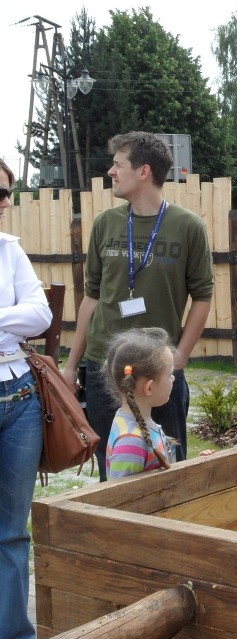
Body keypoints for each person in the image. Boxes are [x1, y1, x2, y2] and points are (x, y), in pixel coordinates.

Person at [62, 131, 214, 481]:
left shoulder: (188, 226)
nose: (111, 172)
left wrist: (179, 358)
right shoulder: (105, 223)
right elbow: (92, 296)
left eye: (118, 164)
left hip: (158, 368)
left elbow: (203, 296)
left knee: (168, 468)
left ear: (144, 171)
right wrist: (72, 365)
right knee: (111, 469)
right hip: (105, 366)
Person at [0, 159, 52, 639]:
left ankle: (15, 633)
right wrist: (8, 317)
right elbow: (23, 315)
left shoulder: (10, 250)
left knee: (13, 531)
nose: (4, 203)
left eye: (7, 193)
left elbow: (40, 314)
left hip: (18, 399)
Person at [102, 327, 180, 478]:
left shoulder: (138, 422)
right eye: (170, 374)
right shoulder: (131, 442)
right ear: (149, 387)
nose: (173, 379)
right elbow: (119, 497)